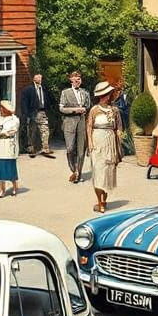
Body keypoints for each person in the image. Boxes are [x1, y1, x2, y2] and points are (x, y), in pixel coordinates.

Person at [86, 81, 123, 213]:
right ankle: (100, 201)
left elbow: (119, 127)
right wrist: (90, 143)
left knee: (108, 172)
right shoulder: (94, 110)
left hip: (110, 142)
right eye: (107, 94)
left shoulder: (114, 110)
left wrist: (119, 139)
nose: (108, 97)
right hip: (98, 141)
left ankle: (103, 200)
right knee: (98, 171)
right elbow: (89, 126)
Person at [60, 71, 91, 183]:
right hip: (69, 123)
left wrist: (84, 109)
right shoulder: (65, 92)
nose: (77, 81)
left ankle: (78, 173)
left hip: (82, 123)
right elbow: (62, 108)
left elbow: (88, 106)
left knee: (81, 150)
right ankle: (74, 170)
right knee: (70, 148)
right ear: (71, 80)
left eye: (79, 79)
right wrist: (74, 110)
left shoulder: (85, 93)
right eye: (75, 79)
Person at [19, 72, 54, 159]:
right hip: (33, 113)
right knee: (32, 131)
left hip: (43, 112)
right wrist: (26, 114)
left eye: (41, 77)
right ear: (34, 79)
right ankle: (31, 148)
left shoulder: (45, 88)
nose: (40, 79)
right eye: (38, 77)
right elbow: (24, 103)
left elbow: (50, 99)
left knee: (45, 130)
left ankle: (45, 148)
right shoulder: (28, 90)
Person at [0, 101, 21, 198]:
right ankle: (2, 189)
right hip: (0, 144)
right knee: (0, 167)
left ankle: (15, 186)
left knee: (9, 167)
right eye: (0, 108)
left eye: (2, 108)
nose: (1, 110)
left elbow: (11, 131)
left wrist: (0, 132)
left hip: (9, 144)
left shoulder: (14, 120)